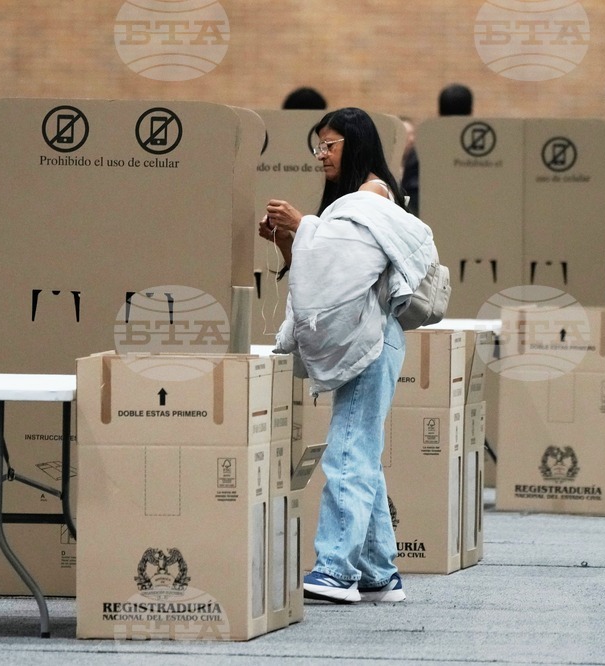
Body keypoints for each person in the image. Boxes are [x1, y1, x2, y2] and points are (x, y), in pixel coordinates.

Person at [258, 108, 436, 604]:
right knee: (361, 453)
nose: (322, 155)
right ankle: (380, 574)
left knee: (347, 451)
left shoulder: (372, 197)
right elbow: (323, 272)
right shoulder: (356, 204)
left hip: (374, 340)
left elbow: (350, 269)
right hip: (371, 338)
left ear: (354, 145)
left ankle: (336, 570)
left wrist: (304, 225)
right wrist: (293, 239)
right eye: (318, 146)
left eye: (330, 145)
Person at [401, 83, 474, 216]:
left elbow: (411, 193)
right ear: (470, 111)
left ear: (440, 111)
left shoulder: (424, 149)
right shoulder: (476, 152)